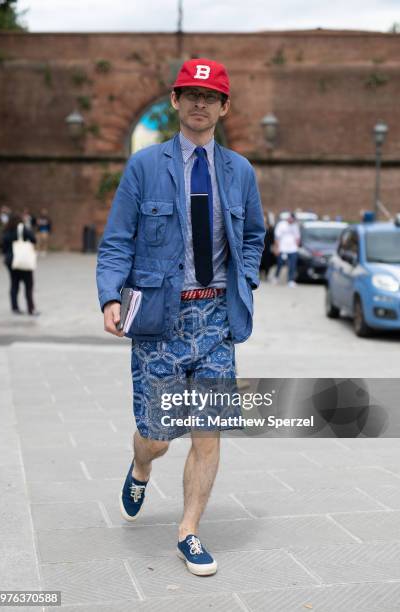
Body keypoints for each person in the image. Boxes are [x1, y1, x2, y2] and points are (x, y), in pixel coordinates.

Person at [96, 58, 265, 576]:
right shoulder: (144, 167)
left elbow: (255, 234)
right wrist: (109, 297)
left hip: (215, 318)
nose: (199, 102)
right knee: (158, 435)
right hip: (159, 321)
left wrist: (247, 279)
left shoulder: (240, 172)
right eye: (189, 93)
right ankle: (142, 464)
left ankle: (188, 531)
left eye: (209, 95)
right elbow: (117, 241)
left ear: (223, 106)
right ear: (174, 100)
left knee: (208, 431)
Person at [1, 213, 40, 316]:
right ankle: (31, 309)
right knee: (28, 285)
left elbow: (3, 247)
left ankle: (15, 307)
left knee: (14, 284)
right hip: (23, 260)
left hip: (10, 261)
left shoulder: (6, 230)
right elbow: (33, 239)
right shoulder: (22, 229)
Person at [273, 212, 300, 287]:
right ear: (289, 218)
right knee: (280, 263)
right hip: (282, 248)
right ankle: (276, 277)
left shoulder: (295, 226)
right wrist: (276, 248)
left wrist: (297, 246)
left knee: (292, 265)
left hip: (293, 249)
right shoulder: (281, 225)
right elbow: (277, 237)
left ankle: (290, 280)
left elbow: (297, 237)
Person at [260, 211, 276, 280]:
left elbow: (272, 239)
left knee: (267, 262)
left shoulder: (270, 229)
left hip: (267, 248)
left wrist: (273, 247)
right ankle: (260, 274)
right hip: (260, 247)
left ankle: (266, 274)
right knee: (260, 261)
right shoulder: (260, 228)